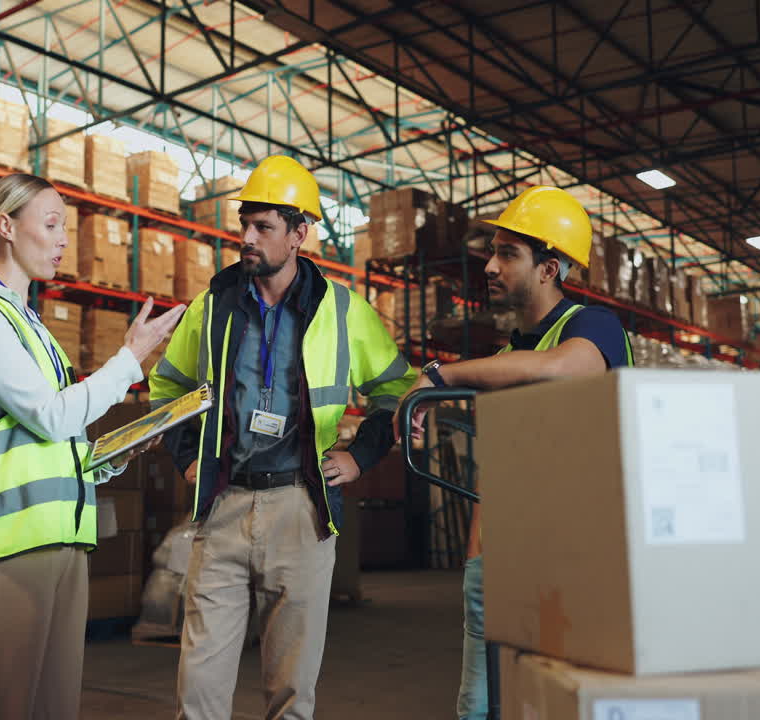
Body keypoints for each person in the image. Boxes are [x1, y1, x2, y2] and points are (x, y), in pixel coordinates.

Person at [149, 155, 416, 720]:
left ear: (299, 234)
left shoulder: (342, 311)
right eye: (244, 223)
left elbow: (399, 387)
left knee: (292, 691)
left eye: (262, 227)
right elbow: (166, 383)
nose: (246, 237)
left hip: (301, 506)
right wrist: (187, 455)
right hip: (222, 505)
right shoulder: (215, 305)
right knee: (197, 689)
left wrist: (362, 455)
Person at [0, 173, 186, 720]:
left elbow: (49, 440)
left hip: (59, 539)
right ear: (6, 226)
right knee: (3, 706)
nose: (62, 241)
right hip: (8, 545)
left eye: (64, 229)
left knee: (53, 708)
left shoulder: (34, 328)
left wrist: (111, 453)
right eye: (50, 225)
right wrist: (129, 359)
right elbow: (50, 417)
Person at [390, 185, 633, 720]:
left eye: (507, 254)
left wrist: (439, 376)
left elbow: (561, 370)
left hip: (584, 560)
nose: (490, 267)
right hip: (505, 560)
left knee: (563, 698)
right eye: (492, 252)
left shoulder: (591, 328)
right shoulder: (508, 356)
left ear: (549, 269)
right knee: (480, 705)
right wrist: (476, 554)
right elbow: (494, 463)